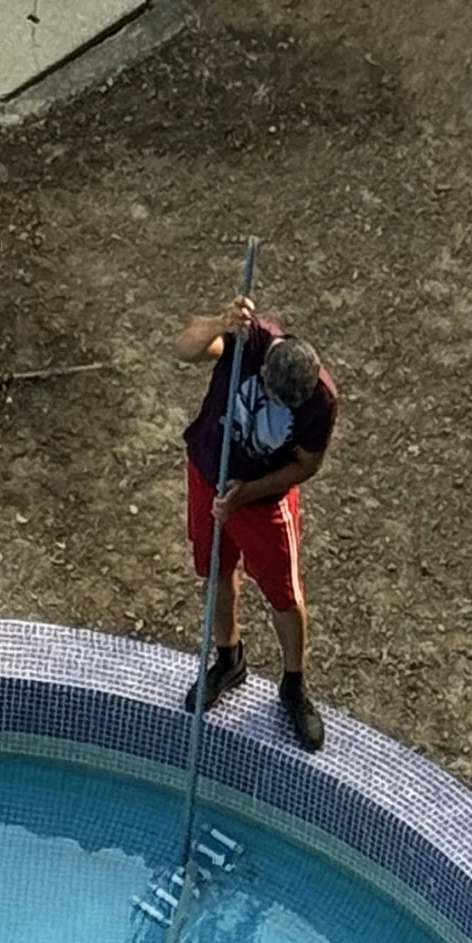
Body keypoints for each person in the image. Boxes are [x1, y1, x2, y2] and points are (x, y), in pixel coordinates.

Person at [174, 293, 340, 751]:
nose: (271, 400)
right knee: (216, 571)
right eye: (268, 390)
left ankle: (293, 686)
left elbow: (306, 465)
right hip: (209, 473)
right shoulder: (250, 340)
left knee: (283, 594)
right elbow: (185, 348)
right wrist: (218, 322)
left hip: (262, 499)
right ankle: (228, 658)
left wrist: (247, 493)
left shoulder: (320, 402)